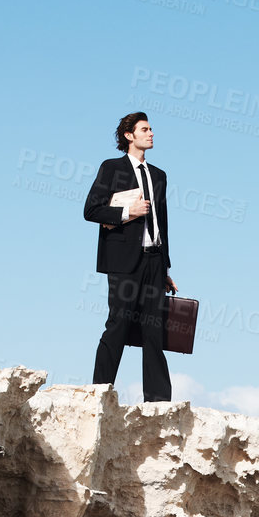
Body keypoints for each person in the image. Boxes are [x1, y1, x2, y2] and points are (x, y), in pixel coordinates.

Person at [83, 112, 176, 402]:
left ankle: (159, 401)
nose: (151, 134)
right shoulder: (111, 168)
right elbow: (91, 210)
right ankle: (99, 393)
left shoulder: (159, 175)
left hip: (154, 261)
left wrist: (166, 266)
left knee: (154, 331)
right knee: (118, 326)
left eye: (150, 129)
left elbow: (164, 223)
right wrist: (128, 212)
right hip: (123, 262)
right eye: (144, 129)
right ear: (128, 135)